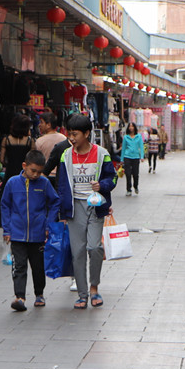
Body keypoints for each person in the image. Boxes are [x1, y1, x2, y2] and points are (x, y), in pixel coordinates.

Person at [47, 114, 117, 309]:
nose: (72, 138)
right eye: (69, 133)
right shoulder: (65, 155)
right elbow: (62, 185)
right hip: (74, 208)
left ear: (87, 133)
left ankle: (94, 288)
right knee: (77, 251)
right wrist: (61, 213)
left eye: (75, 134)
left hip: (96, 206)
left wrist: (101, 185)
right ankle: (83, 294)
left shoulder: (102, 154)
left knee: (94, 248)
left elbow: (113, 179)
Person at [0, 149, 59, 311]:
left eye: (39, 172)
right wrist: (7, 230)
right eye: (33, 171)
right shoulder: (12, 183)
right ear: (24, 166)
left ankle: (39, 294)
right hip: (17, 234)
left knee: (38, 266)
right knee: (19, 266)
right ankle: (20, 297)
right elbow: (5, 206)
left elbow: (54, 202)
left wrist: (48, 224)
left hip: (38, 234)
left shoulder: (44, 183)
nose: (36, 175)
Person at [0, 115, 34, 227]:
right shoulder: (29, 141)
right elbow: (32, 159)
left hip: (10, 173)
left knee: (7, 200)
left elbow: (2, 159)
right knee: (24, 200)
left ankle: (5, 225)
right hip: (24, 174)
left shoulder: (6, 140)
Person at [120, 123, 144, 196]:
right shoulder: (126, 137)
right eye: (130, 126)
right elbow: (123, 148)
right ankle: (128, 189)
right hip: (127, 156)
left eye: (132, 126)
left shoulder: (138, 137)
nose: (131, 128)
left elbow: (141, 147)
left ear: (134, 128)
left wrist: (142, 156)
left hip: (136, 157)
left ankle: (135, 186)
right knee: (128, 173)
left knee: (135, 174)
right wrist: (122, 159)